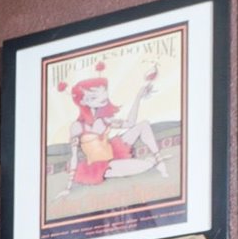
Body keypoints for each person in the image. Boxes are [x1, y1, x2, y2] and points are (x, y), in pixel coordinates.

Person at [60, 62, 170, 193]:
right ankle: (152, 162)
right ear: (83, 102)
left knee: (144, 124)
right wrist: (68, 187)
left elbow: (130, 123)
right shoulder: (77, 127)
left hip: (114, 152)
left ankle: (158, 159)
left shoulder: (104, 120)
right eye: (94, 96)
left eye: (103, 92)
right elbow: (74, 157)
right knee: (144, 165)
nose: (103, 97)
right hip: (100, 166)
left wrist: (138, 97)